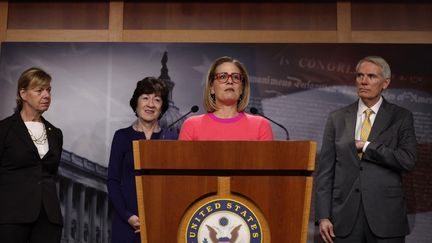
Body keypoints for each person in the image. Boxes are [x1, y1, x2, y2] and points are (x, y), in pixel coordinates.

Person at [315, 56, 417, 243]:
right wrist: (323, 216)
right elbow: (325, 172)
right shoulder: (337, 118)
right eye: (360, 75)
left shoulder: (401, 117)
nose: (364, 81)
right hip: (344, 219)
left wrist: (368, 147)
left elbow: (407, 160)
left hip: (386, 218)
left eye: (371, 76)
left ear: (385, 83)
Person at [107, 77, 177, 243]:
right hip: (127, 223)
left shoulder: (172, 139)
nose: (151, 104)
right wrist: (127, 216)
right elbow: (113, 181)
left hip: (161, 223)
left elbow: (176, 184)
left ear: (162, 107)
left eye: (157, 100)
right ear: (136, 103)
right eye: (145, 98)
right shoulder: (122, 136)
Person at [0, 67, 63, 243]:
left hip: (48, 220)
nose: (46, 95)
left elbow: (51, 174)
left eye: (49, 90)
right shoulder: (5, 129)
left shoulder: (56, 133)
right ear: (23, 93)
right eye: (39, 90)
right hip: (11, 219)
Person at [179, 56, 273, 140]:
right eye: (223, 77)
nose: (230, 81)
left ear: (241, 89)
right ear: (212, 87)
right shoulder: (191, 126)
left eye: (236, 77)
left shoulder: (261, 126)